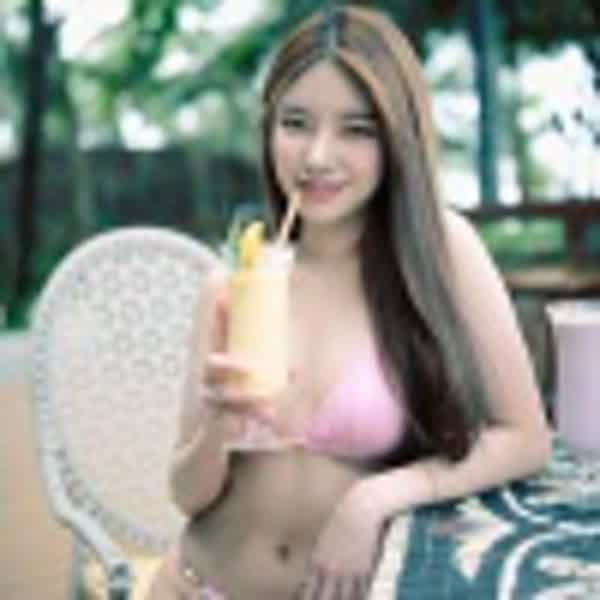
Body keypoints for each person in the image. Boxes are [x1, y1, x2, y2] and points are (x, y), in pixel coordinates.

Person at [146, 5, 551, 599]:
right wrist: (215, 425)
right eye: (296, 123)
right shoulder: (237, 284)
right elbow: (186, 496)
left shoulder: (441, 253)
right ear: (269, 128)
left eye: (356, 129)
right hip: (193, 586)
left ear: (396, 138)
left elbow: (525, 438)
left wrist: (376, 497)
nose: (317, 156)